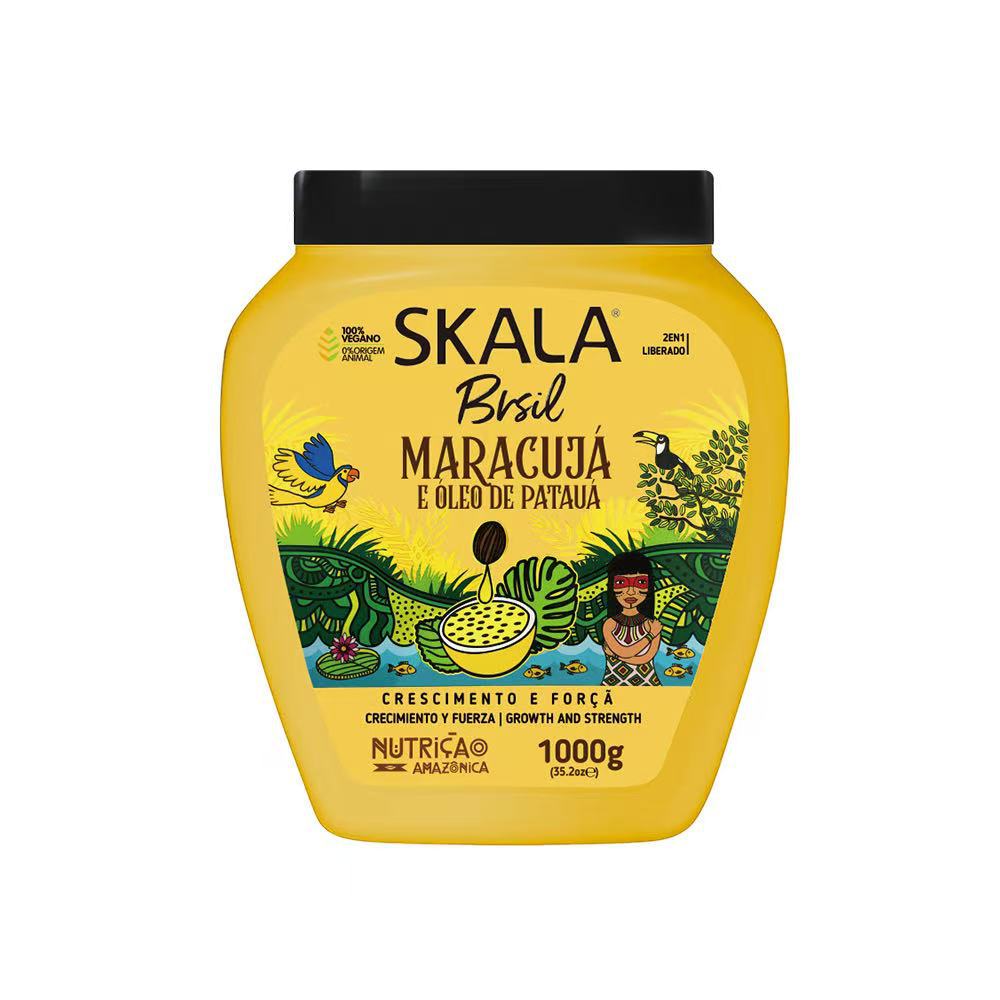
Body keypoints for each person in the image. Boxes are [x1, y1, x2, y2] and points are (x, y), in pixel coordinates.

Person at [600, 551, 663, 686]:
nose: (631, 591)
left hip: (647, 686)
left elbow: (646, 658)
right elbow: (624, 651)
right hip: (613, 686)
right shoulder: (610, 624)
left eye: (640, 582)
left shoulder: (651, 624)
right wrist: (651, 635)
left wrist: (615, 656)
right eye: (621, 582)